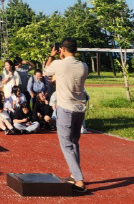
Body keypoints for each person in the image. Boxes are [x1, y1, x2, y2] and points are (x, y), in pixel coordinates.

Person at [44, 38, 89, 194]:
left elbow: (46, 71)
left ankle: (79, 181)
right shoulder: (84, 66)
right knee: (74, 142)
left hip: (65, 108)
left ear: (61, 49)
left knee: (66, 145)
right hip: (80, 109)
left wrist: (52, 56)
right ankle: (74, 173)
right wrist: (62, 58)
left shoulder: (58, 64)